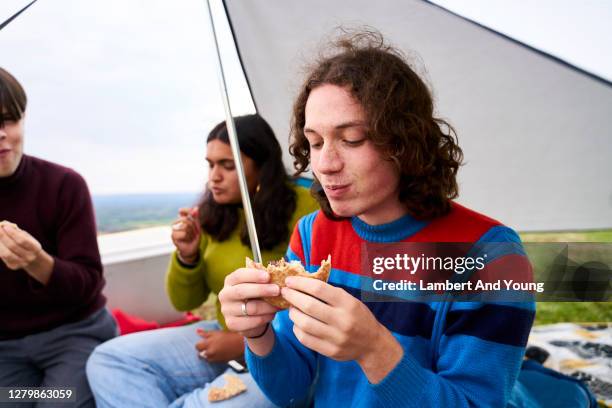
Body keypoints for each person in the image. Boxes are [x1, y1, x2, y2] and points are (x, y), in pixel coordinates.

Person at [217, 32, 536, 407]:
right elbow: (291, 390)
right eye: (315, 142)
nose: (324, 164)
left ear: (405, 141)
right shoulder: (312, 235)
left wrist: (375, 350)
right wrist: (258, 336)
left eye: (351, 139)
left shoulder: (492, 256)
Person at [86, 114, 319, 407]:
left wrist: (244, 341)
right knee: (109, 361)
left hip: (284, 351)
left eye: (227, 165)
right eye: (210, 165)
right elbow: (184, 301)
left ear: (262, 166)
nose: (214, 177)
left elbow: (316, 296)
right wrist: (187, 254)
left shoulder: (305, 207)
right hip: (222, 336)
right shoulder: (214, 214)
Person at [0, 67, 116, 407]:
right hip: (6, 347)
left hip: (74, 333)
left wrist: (38, 262)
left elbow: (89, 283)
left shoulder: (64, 186)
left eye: (9, 120)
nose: (1, 134)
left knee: (57, 402)